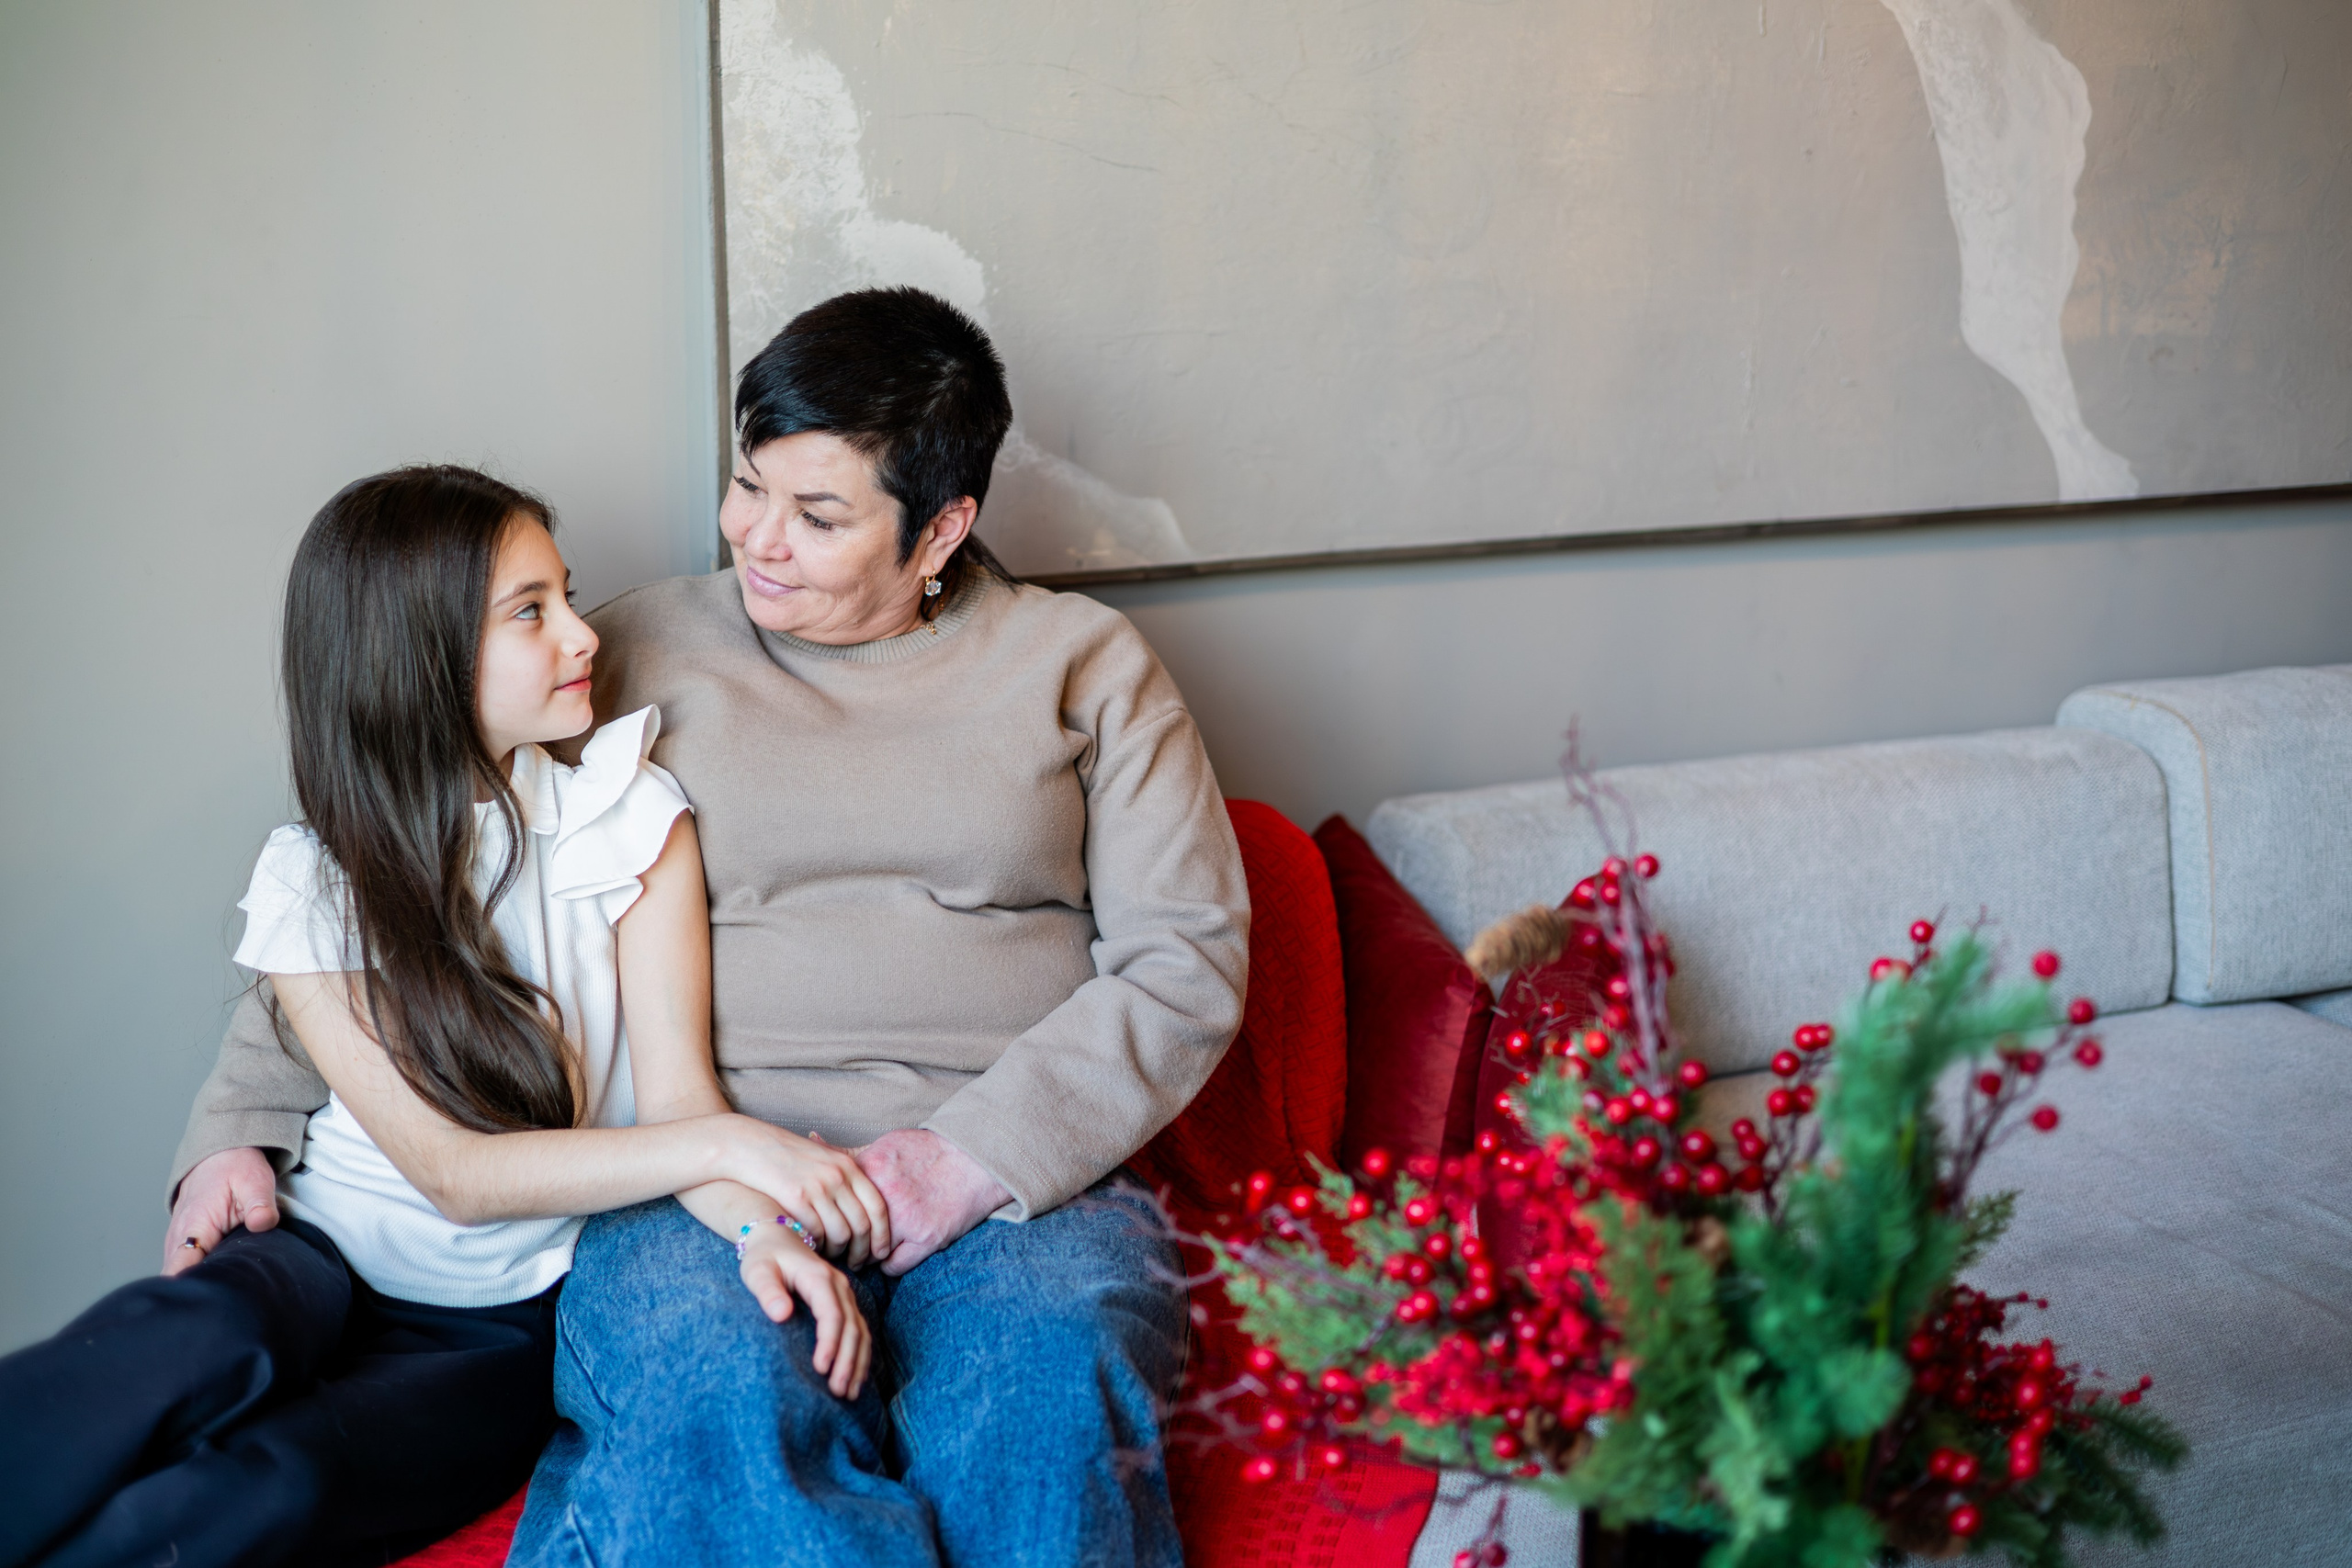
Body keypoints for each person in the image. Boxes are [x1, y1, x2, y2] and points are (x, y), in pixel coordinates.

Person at [171, 288, 1251, 1564]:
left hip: (1012, 1178)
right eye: (747, 485)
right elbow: (393, 855)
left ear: (941, 529)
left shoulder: (1084, 665)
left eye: (819, 515)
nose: (758, 537)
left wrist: (968, 1158)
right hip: (693, 1182)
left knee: (1041, 1409)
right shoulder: (623, 649)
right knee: (712, 1403)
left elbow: (1185, 960)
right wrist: (239, 1119)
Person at [0, 467, 876, 1568]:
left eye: (565, 596)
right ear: (418, 657)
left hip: (498, 1328)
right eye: (530, 612)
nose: (583, 635)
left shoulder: (630, 820)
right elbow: (454, 1174)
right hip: (318, 1251)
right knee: (185, 1344)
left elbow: (679, 1102)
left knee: (283, 1481)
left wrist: (761, 1231)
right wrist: (736, 1146)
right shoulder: (315, 879)